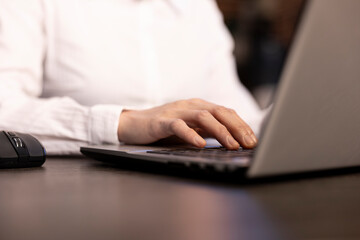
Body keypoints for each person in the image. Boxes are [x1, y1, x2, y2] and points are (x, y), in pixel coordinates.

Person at [0, 0, 265, 155]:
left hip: (198, 197)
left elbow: (236, 113)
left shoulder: (199, 7)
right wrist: (123, 123)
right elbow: (5, 105)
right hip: (74, 201)